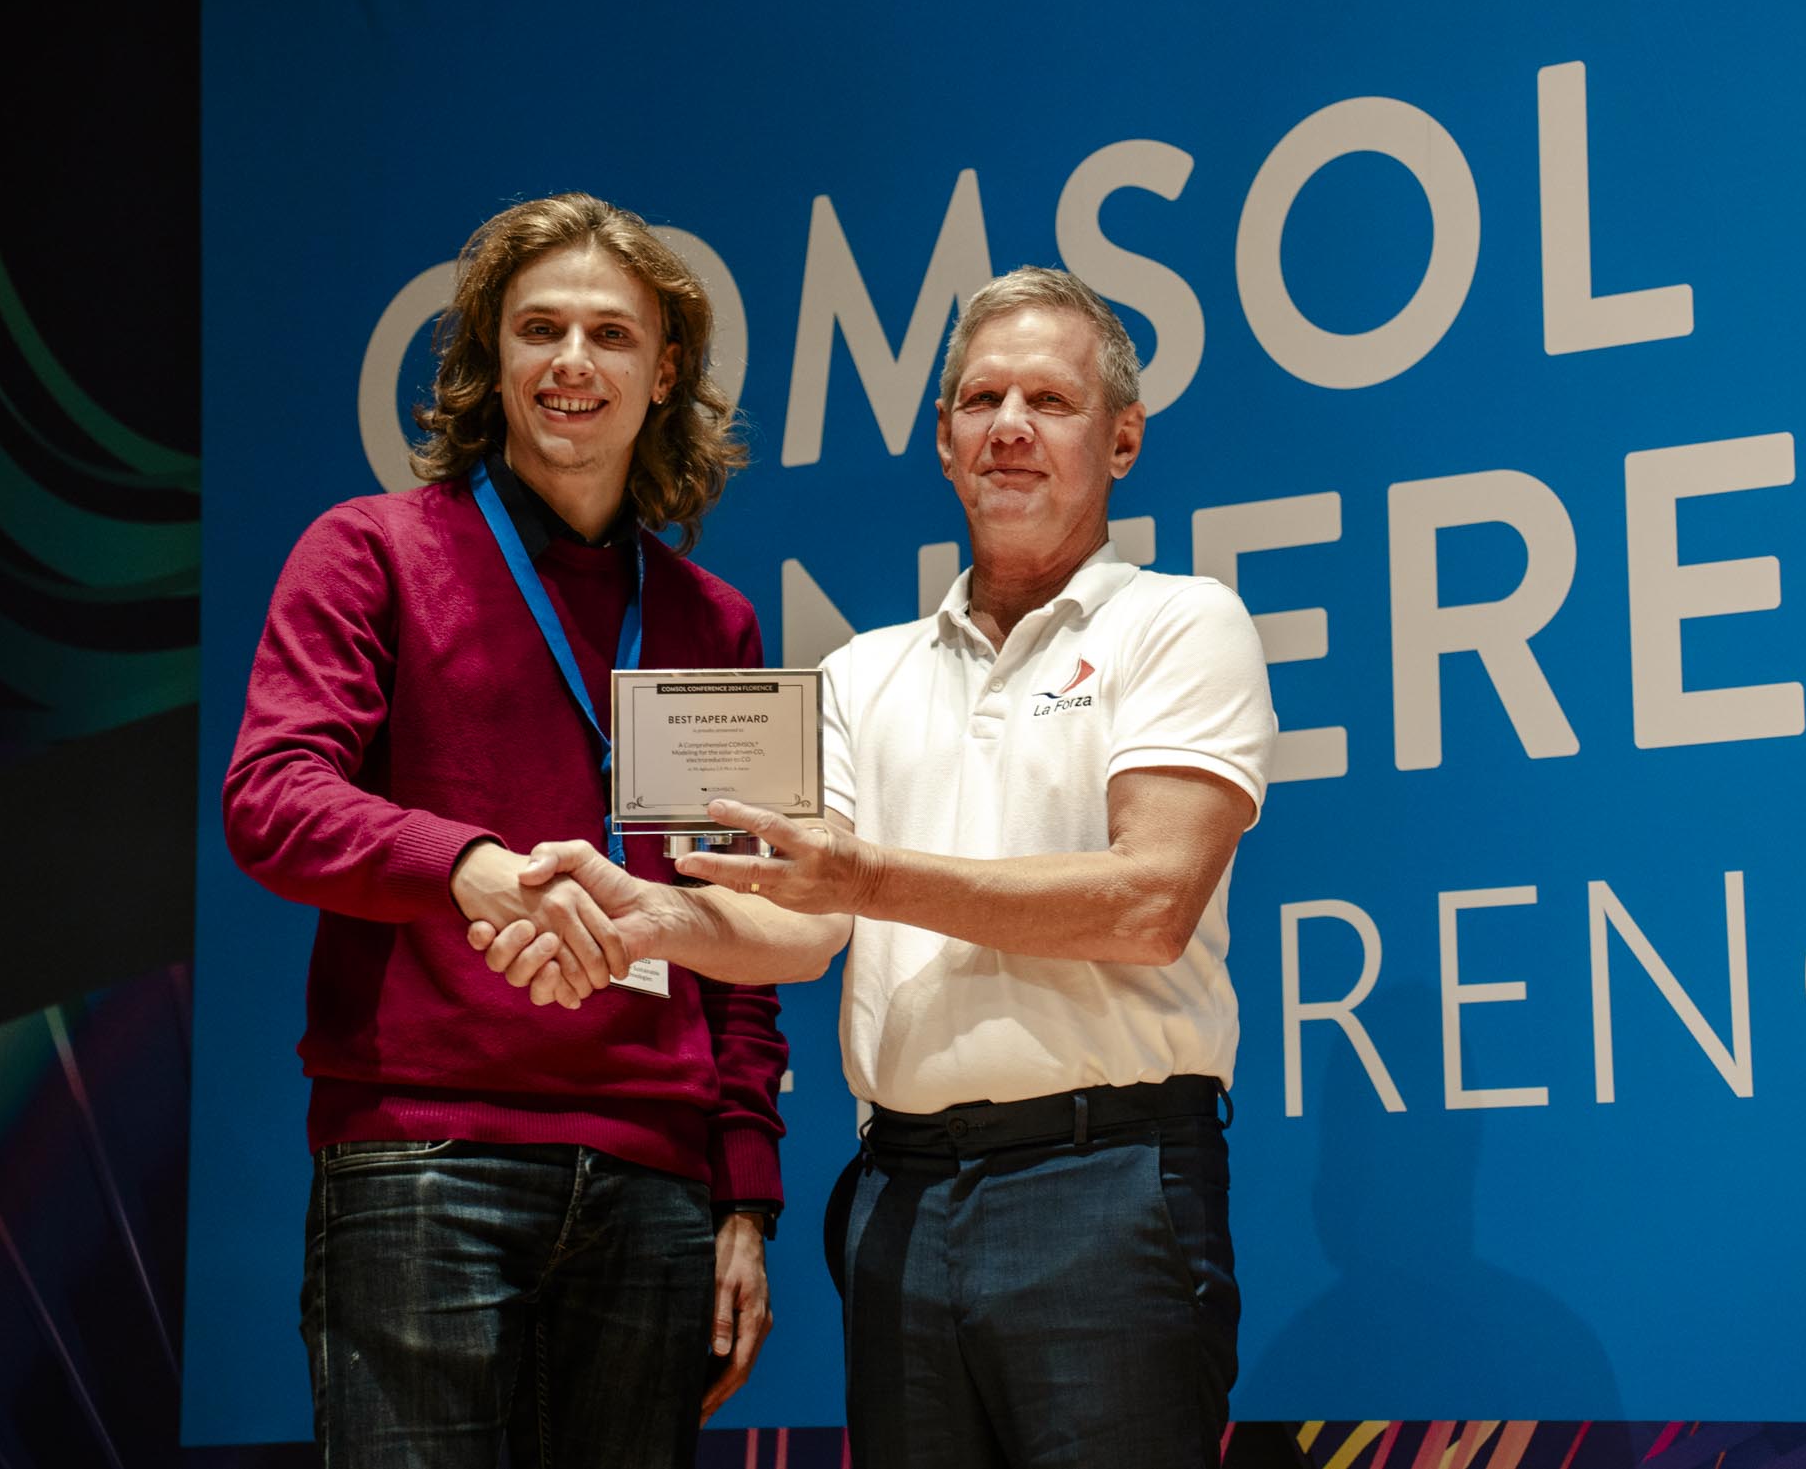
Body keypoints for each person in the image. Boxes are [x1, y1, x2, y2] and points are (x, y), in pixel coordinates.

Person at [472, 266, 1275, 1468]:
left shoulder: (1180, 621)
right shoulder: (859, 672)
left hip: (1104, 1179)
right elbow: (801, 929)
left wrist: (865, 877)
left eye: (1049, 401)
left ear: (1121, 440)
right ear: (943, 440)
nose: (1008, 426)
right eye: (980, 400)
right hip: (900, 1194)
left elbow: (1148, 903)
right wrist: (647, 918)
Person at [224, 194, 795, 1467]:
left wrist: (743, 1195)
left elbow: (740, 930)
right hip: (425, 1156)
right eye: (540, 329)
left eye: (610, 333)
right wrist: (467, 866)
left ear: (665, 374)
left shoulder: (711, 624)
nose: (571, 361)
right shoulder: (368, 552)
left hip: (654, 1181)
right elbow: (271, 797)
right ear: (492, 357)